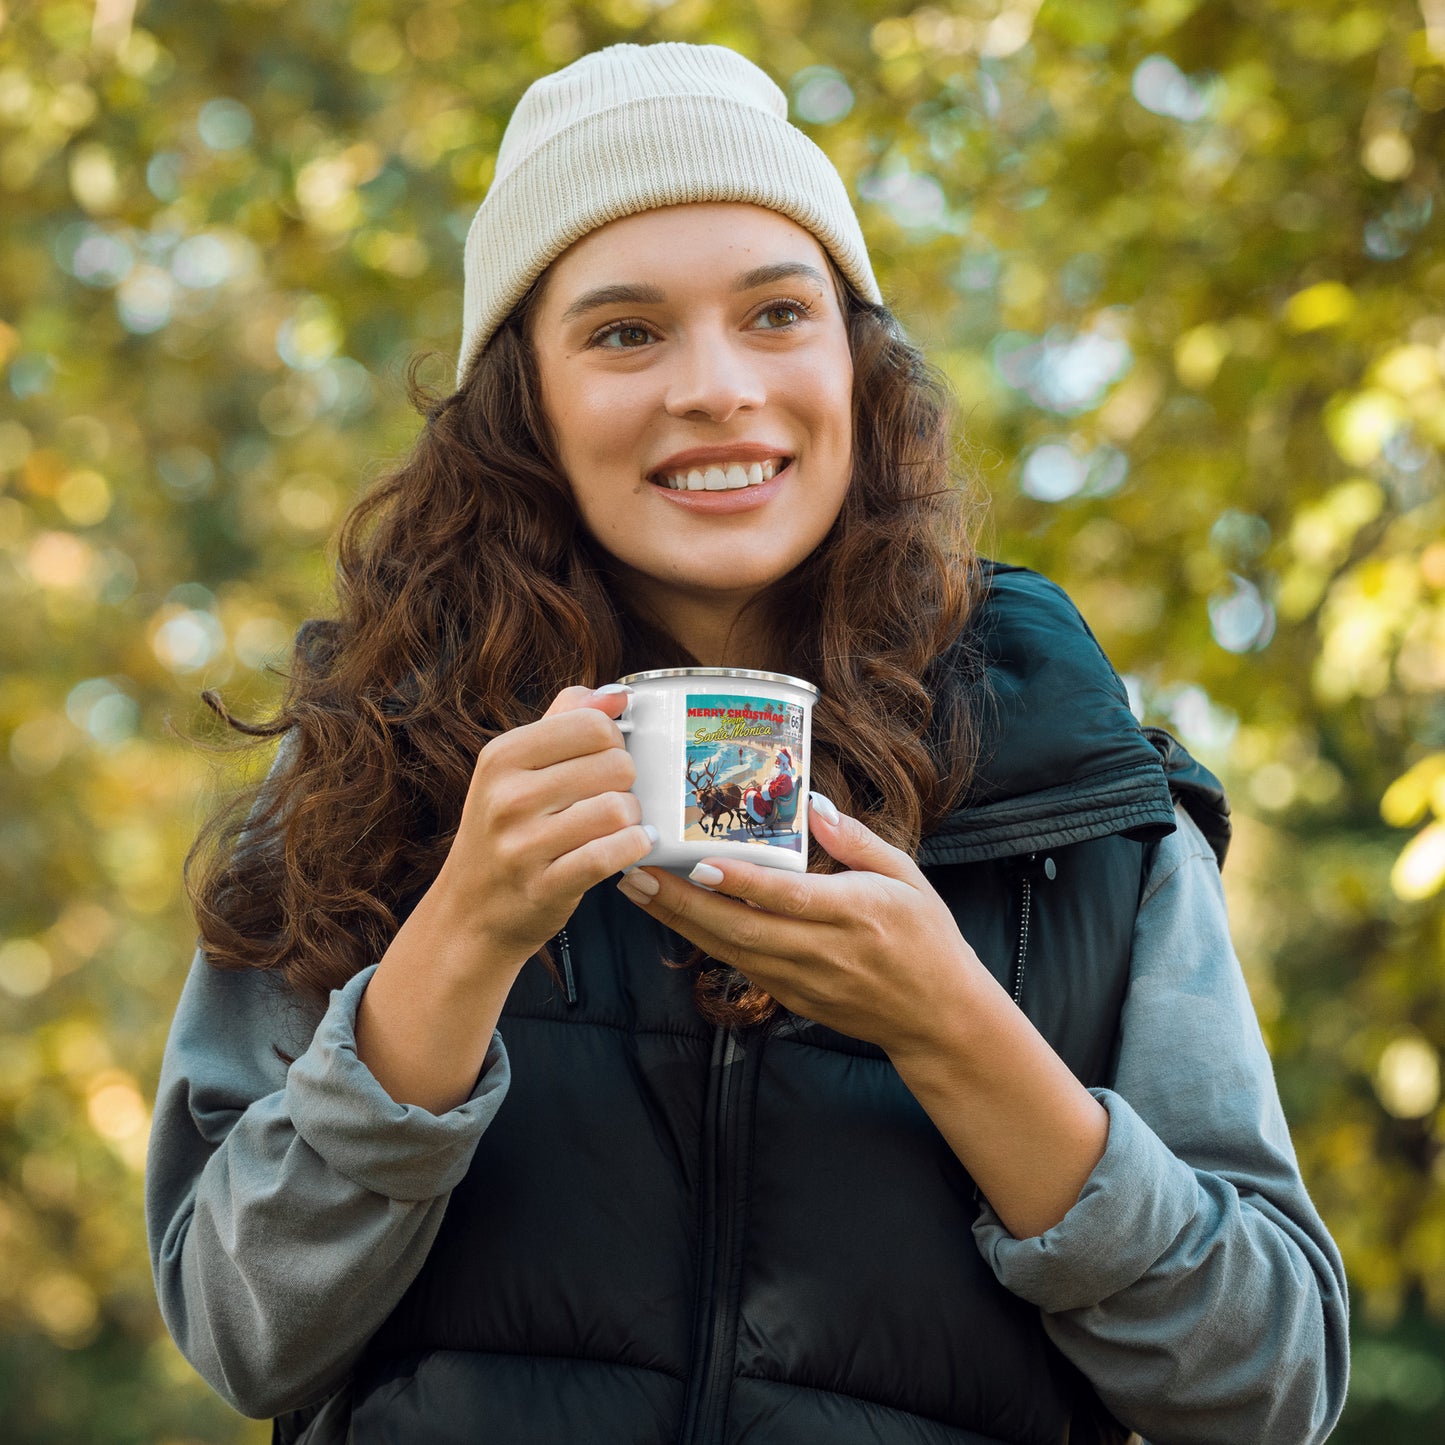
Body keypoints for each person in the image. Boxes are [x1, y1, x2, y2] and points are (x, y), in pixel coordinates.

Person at [146, 40, 1349, 1445]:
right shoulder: (372, 768)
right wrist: (460, 936)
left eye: (777, 313)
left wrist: (948, 1023)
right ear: (522, 400)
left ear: (856, 362)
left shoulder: (1072, 794)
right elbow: (240, 1334)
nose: (716, 386)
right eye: (623, 332)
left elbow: (1268, 1385)